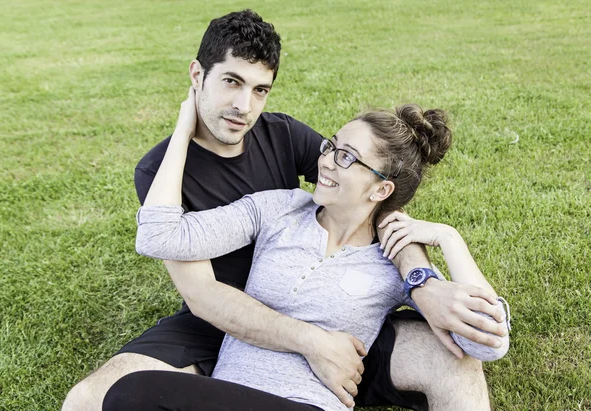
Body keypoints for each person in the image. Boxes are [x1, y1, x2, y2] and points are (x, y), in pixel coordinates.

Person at [62, 10, 509, 411]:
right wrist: (314, 342)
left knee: (455, 358)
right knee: (97, 398)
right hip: (222, 318)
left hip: (340, 324)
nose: (244, 107)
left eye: (260, 90)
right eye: (231, 83)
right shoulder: (193, 182)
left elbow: (370, 199)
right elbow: (201, 293)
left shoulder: (284, 137)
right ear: (197, 75)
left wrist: (422, 279)